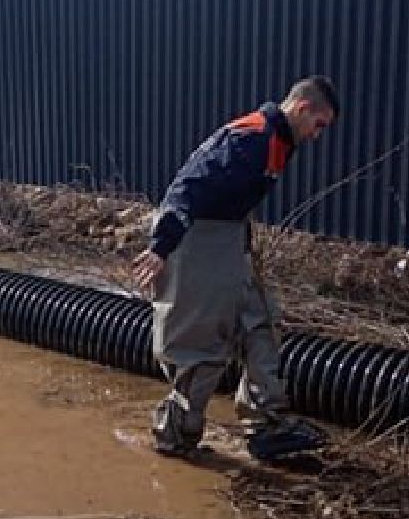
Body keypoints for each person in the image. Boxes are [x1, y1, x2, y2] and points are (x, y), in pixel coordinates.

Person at [130, 76, 339, 457]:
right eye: (318, 125)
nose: (317, 136)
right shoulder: (250, 138)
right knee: (201, 344)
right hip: (197, 240)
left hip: (229, 240)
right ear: (302, 108)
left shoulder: (279, 141)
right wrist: (162, 247)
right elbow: (187, 186)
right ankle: (176, 435)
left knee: (260, 321)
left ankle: (265, 425)